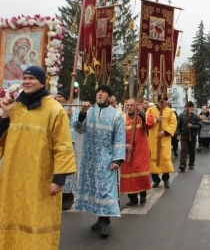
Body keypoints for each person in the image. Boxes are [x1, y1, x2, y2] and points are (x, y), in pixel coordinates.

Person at [0, 66, 76, 249]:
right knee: (11, 220)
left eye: (31, 78)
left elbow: (63, 146)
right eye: (24, 78)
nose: (27, 81)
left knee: (38, 222)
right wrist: (4, 116)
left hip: (40, 180)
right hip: (13, 179)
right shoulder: (14, 107)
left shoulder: (54, 110)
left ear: (42, 82)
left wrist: (59, 179)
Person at [73, 85, 126, 238]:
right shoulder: (89, 112)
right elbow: (79, 129)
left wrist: (117, 159)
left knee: (105, 190)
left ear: (109, 97)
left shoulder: (116, 116)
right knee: (94, 189)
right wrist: (82, 114)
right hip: (90, 158)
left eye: (103, 92)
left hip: (106, 159)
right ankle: (99, 218)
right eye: (98, 92)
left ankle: (105, 222)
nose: (100, 94)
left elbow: (120, 139)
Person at [120, 98, 152, 206]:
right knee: (128, 174)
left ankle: (143, 194)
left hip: (140, 150)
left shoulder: (142, 116)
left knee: (141, 173)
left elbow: (149, 124)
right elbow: (118, 134)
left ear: (136, 106)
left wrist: (142, 112)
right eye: (128, 105)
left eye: (132, 105)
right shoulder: (122, 118)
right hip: (127, 150)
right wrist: (124, 145)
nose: (129, 107)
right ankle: (132, 198)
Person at [54, 89, 79, 211]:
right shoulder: (53, 109)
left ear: (66, 99)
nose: (57, 99)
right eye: (56, 97)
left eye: (60, 97)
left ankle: (68, 197)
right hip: (54, 146)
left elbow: (76, 127)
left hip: (68, 145)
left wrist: (67, 117)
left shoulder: (73, 111)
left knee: (66, 171)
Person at [147, 94, 177, 188]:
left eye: (166, 102)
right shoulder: (151, 110)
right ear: (159, 101)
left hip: (165, 139)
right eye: (163, 102)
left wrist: (165, 132)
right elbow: (146, 120)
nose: (165, 104)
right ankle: (156, 180)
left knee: (165, 158)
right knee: (153, 159)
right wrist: (155, 119)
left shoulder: (170, 112)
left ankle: (166, 178)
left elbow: (173, 123)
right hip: (153, 138)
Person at [177, 101, 202, 171]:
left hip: (193, 136)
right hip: (184, 135)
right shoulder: (182, 115)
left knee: (192, 150)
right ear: (186, 108)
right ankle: (182, 164)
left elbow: (200, 125)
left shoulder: (196, 116)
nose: (192, 109)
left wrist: (192, 126)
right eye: (190, 107)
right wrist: (178, 134)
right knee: (183, 150)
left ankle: (191, 163)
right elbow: (178, 126)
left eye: (193, 107)